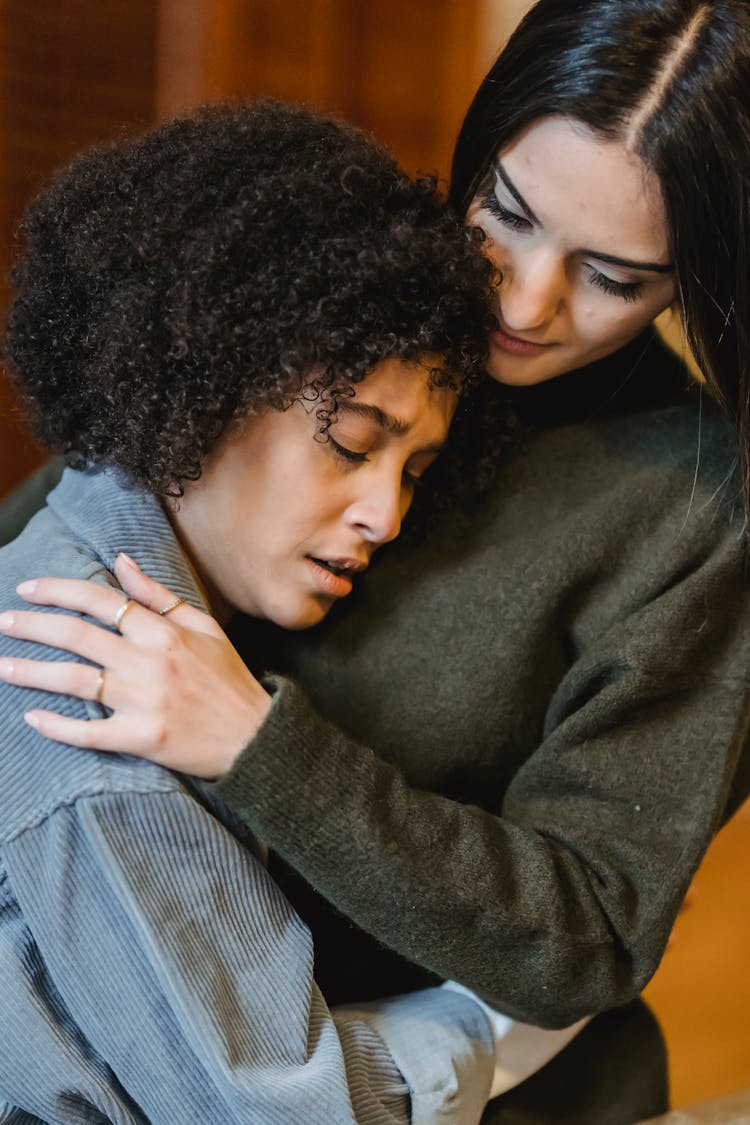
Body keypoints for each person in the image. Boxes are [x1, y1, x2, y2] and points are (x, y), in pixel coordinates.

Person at [4, 0, 750, 1121]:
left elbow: (590, 937)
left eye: (611, 277)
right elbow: (77, 530)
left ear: (694, 279)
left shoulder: (697, 510)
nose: (524, 299)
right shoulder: (333, 292)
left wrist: (262, 750)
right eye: (504, 212)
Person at [0, 97, 520, 1123]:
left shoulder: (53, 574)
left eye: (415, 471)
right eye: (354, 437)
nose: (386, 515)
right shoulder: (91, 694)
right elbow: (293, 1112)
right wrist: (502, 1026)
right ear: (214, 378)